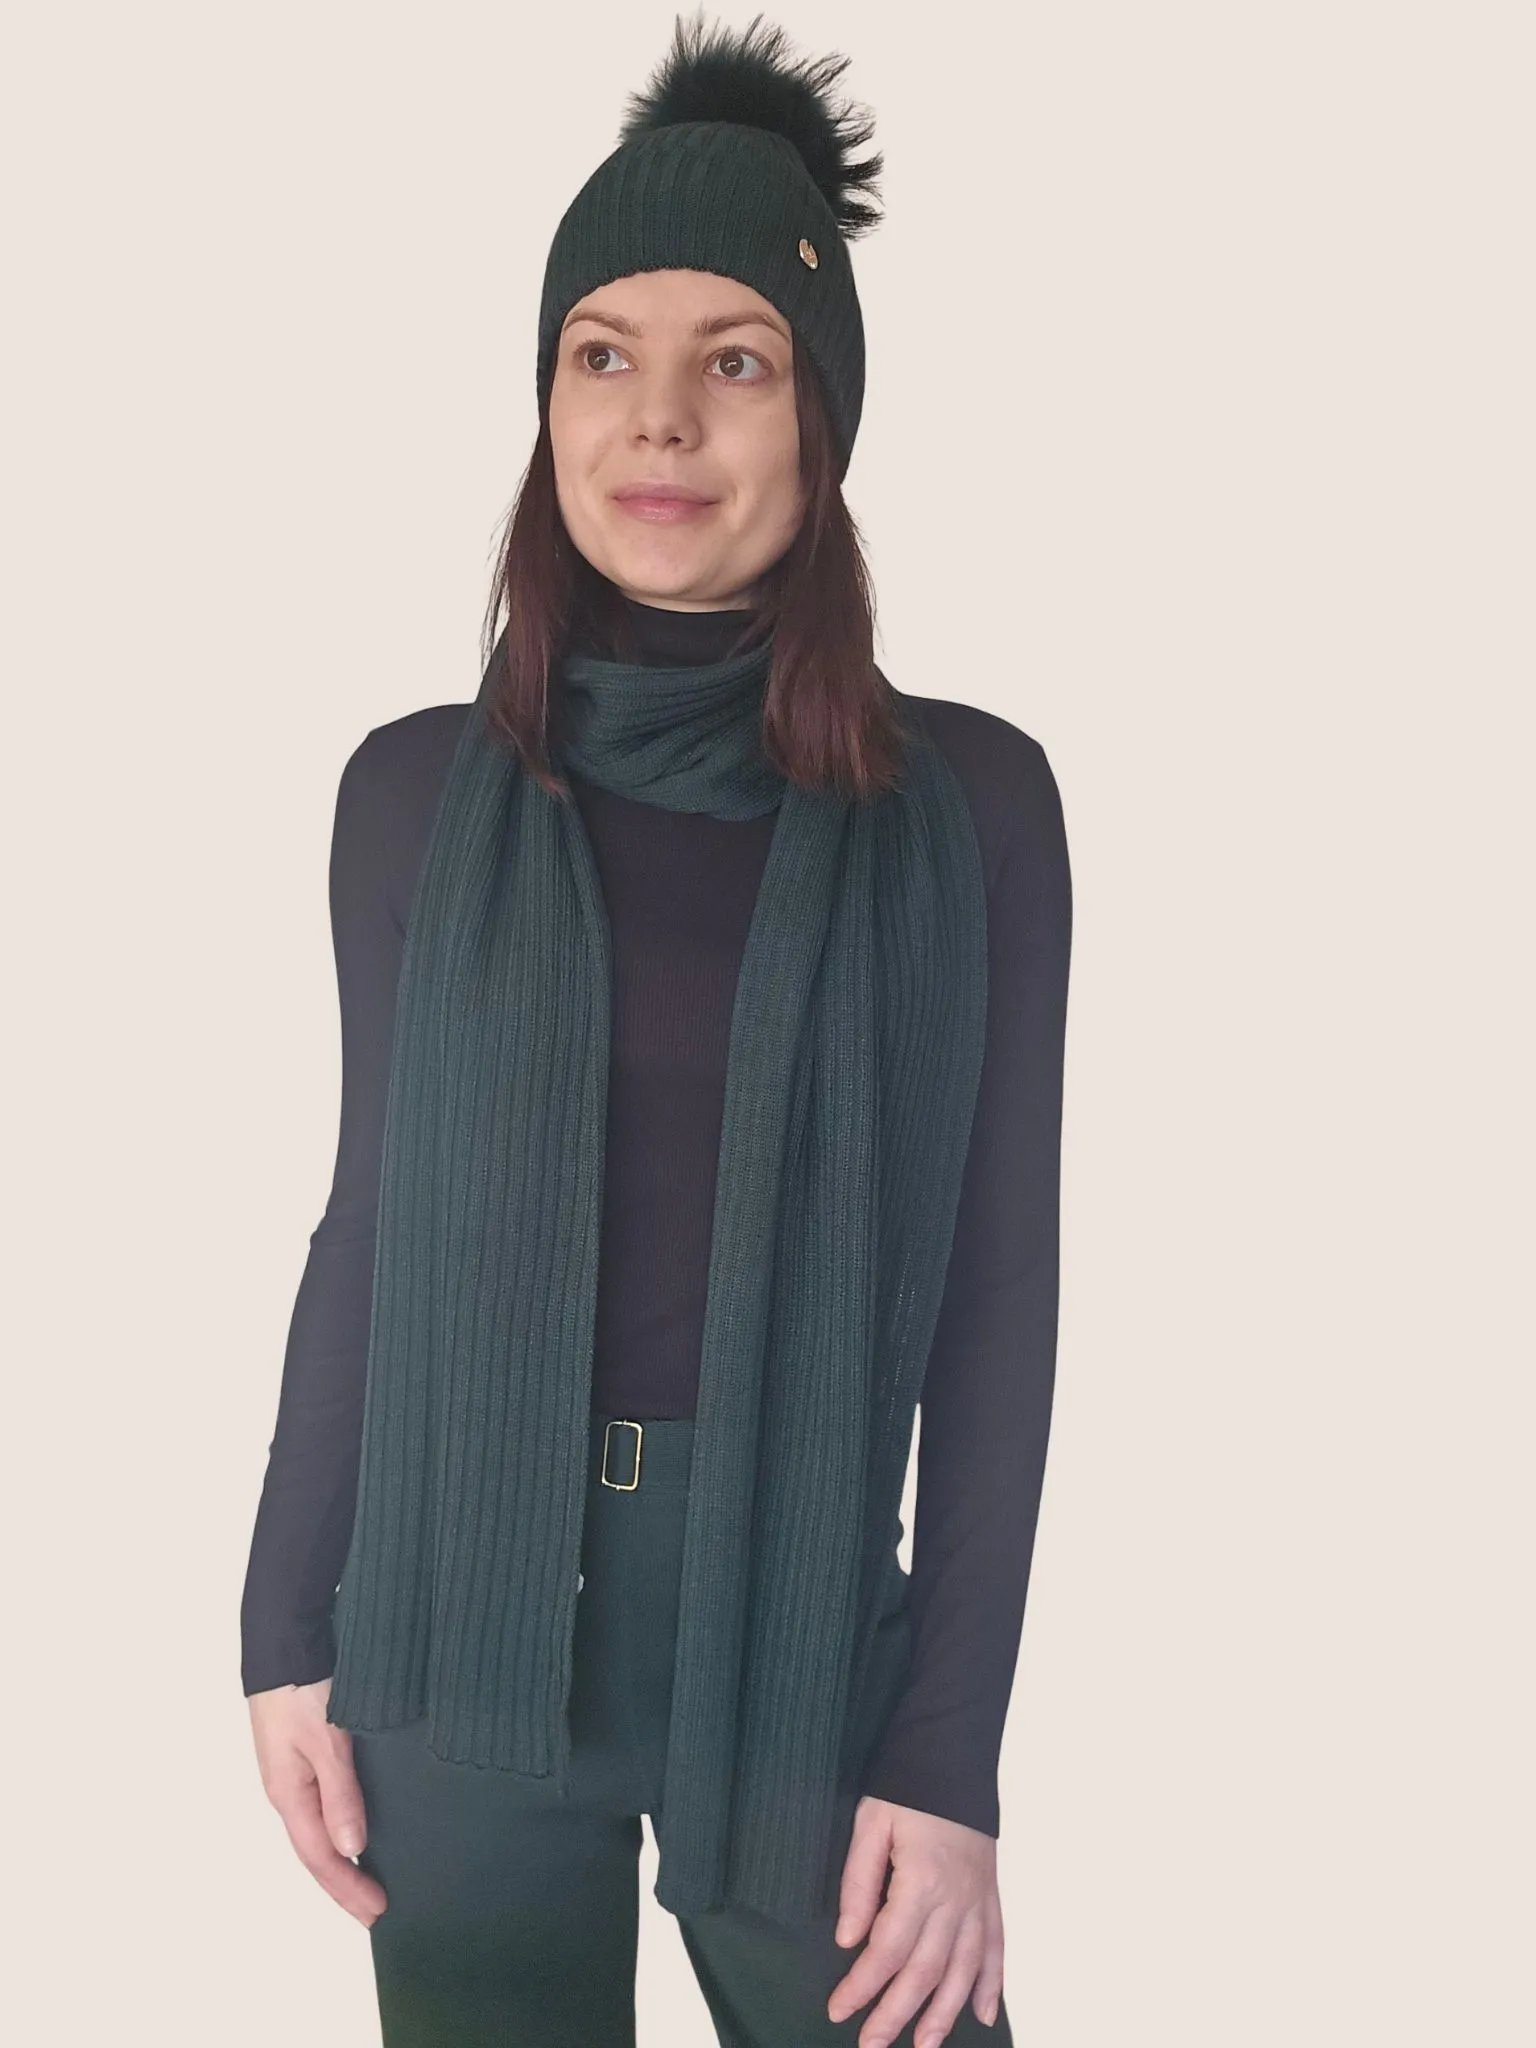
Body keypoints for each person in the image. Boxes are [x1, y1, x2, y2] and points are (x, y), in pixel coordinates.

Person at [241, 13, 1072, 2046]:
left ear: (822, 414)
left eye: (738, 361)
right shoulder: (413, 795)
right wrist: (279, 1625)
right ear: (547, 402)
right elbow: (373, 1220)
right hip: (446, 1622)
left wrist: (948, 1758)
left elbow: (996, 1294)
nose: (662, 421)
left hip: (798, 1632)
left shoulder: (967, 808)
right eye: (603, 355)